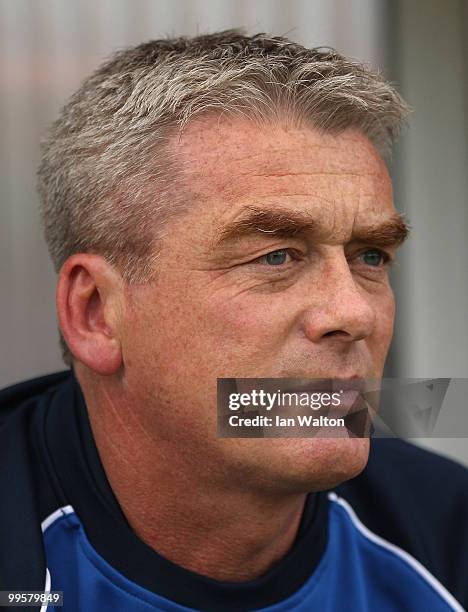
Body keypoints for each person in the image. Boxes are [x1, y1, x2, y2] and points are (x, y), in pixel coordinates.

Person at [0, 31, 467, 612]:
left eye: (369, 256)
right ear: (96, 314)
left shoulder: (444, 534)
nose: (354, 312)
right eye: (275, 257)